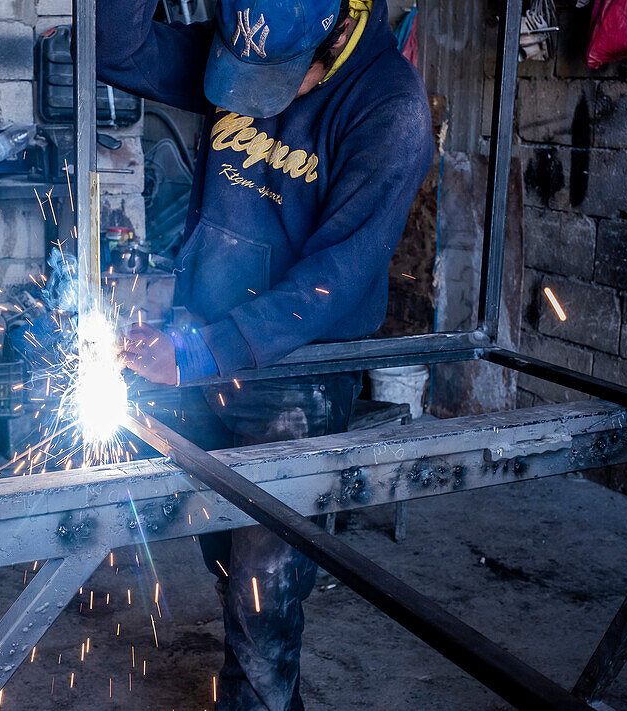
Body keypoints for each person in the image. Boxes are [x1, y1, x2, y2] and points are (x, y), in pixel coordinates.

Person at [99, 0, 434, 708]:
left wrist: (198, 354)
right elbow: (115, 50)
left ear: (336, 28)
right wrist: (191, 349)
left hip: (298, 371)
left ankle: (263, 698)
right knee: (226, 551)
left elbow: (334, 281)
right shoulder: (248, 35)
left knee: (266, 582)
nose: (251, 97)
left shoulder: (389, 107)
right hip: (203, 340)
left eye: (275, 79)